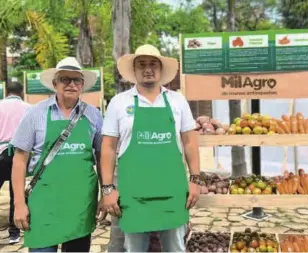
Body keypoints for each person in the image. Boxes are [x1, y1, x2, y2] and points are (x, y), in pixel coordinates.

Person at [100, 44, 200, 252]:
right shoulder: (119, 103)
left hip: (172, 192)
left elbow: (190, 142)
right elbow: (108, 148)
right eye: (142, 64)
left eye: (153, 64)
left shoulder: (177, 101)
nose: (148, 69)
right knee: (135, 249)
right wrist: (107, 189)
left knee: (175, 248)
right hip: (133, 194)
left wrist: (195, 180)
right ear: (134, 71)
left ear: (161, 69)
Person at [10, 57, 106, 252]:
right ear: (55, 83)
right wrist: (19, 204)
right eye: (65, 79)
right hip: (44, 205)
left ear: (82, 85)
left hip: (81, 204)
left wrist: (105, 193)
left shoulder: (94, 116)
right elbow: (19, 161)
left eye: (76, 80)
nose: (71, 84)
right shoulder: (34, 114)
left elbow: (103, 157)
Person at [0, 81, 31, 244]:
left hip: (0, 152)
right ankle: (14, 232)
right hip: (19, 154)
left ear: (7, 91)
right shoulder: (29, 108)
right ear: (21, 92)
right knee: (16, 194)